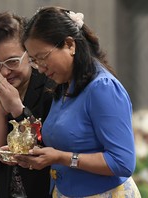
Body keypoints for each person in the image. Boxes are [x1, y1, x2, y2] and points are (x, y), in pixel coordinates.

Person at [14, 6, 141, 197]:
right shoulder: (64, 85)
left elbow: (122, 162)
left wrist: (61, 158)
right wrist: (30, 152)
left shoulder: (102, 88)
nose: (40, 68)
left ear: (70, 45)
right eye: (34, 61)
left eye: (43, 57)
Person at [0, 11, 54, 198]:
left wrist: (17, 108)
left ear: (29, 55)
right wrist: (0, 112)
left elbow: (49, 145)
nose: (5, 72)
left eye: (13, 62)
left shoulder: (50, 85)